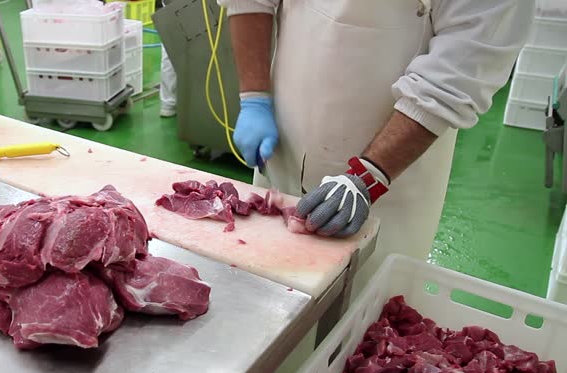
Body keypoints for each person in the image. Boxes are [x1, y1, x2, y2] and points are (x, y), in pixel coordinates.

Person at [218, 0, 535, 288]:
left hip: (394, 166)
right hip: (285, 137)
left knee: (362, 308)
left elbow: (462, 67)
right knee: (262, 282)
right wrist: (254, 97)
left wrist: (368, 177)